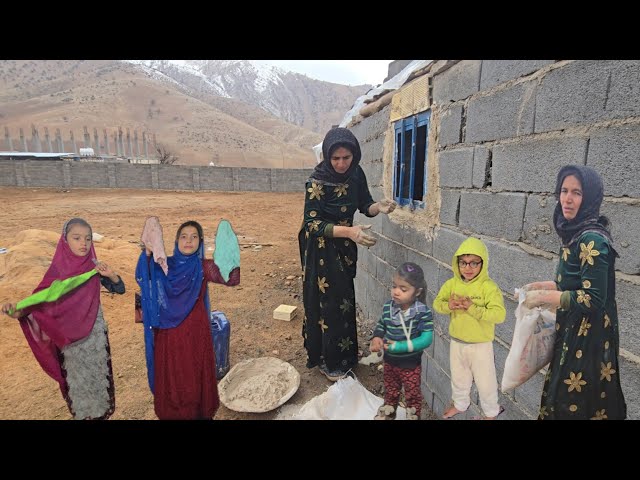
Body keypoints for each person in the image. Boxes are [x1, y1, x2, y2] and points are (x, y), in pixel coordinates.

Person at [521, 165, 627, 420]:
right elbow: (573, 285)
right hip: (571, 328)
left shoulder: (593, 240)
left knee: (576, 404)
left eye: (576, 193)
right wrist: (543, 287)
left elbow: (593, 299)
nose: (567, 199)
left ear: (589, 198)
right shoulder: (574, 233)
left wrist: (546, 298)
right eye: (564, 190)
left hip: (589, 338)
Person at [299, 127, 397, 381]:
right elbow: (312, 224)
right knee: (327, 305)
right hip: (321, 249)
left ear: (355, 155)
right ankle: (328, 360)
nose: (341, 164)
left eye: (346, 157)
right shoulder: (316, 182)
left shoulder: (355, 174)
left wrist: (379, 207)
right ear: (327, 156)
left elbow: (364, 204)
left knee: (344, 301)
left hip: (345, 246)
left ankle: (345, 356)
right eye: (336, 158)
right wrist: (348, 232)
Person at [1, 218, 125, 420]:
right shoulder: (57, 272)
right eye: (76, 238)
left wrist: (112, 275)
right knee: (79, 389)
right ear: (65, 241)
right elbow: (41, 300)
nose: (83, 243)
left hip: (95, 339)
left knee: (98, 382)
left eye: (87, 239)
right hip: (71, 345)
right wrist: (19, 311)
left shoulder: (93, 269)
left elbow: (120, 289)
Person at [136, 220, 240, 420]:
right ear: (176, 240)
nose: (188, 241)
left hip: (195, 333)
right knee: (173, 376)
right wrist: (147, 252)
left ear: (200, 242)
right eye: (184, 236)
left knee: (193, 376)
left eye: (194, 237)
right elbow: (143, 277)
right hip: (169, 335)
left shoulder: (203, 267)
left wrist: (229, 253)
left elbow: (231, 278)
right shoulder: (163, 264)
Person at [433, 236, 506, 420]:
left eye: (474, 263)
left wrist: (472, 308)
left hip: (480, 345)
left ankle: (491, 412)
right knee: (459, 378)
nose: (468, 268)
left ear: (483, 263)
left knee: (486, 382)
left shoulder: (489, 288)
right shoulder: (452, 284)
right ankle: (460, 404)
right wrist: (448, 306)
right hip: (457, 342)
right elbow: (437, 304)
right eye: (463, 263)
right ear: (457, 263)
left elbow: (499, 315)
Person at [370, 262, 433, 420]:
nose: (396, 292)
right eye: (394, 286)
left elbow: (427, 339)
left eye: (403, 289)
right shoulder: (388, 307)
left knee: (412, 395)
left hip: (410, 365)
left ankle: (413, 416)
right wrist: (377, 337)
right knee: (390, 390)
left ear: (417, 292)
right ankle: (388, 414)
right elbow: (382, 324)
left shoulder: (422, 312)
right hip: (390, 361)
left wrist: (401, 346)